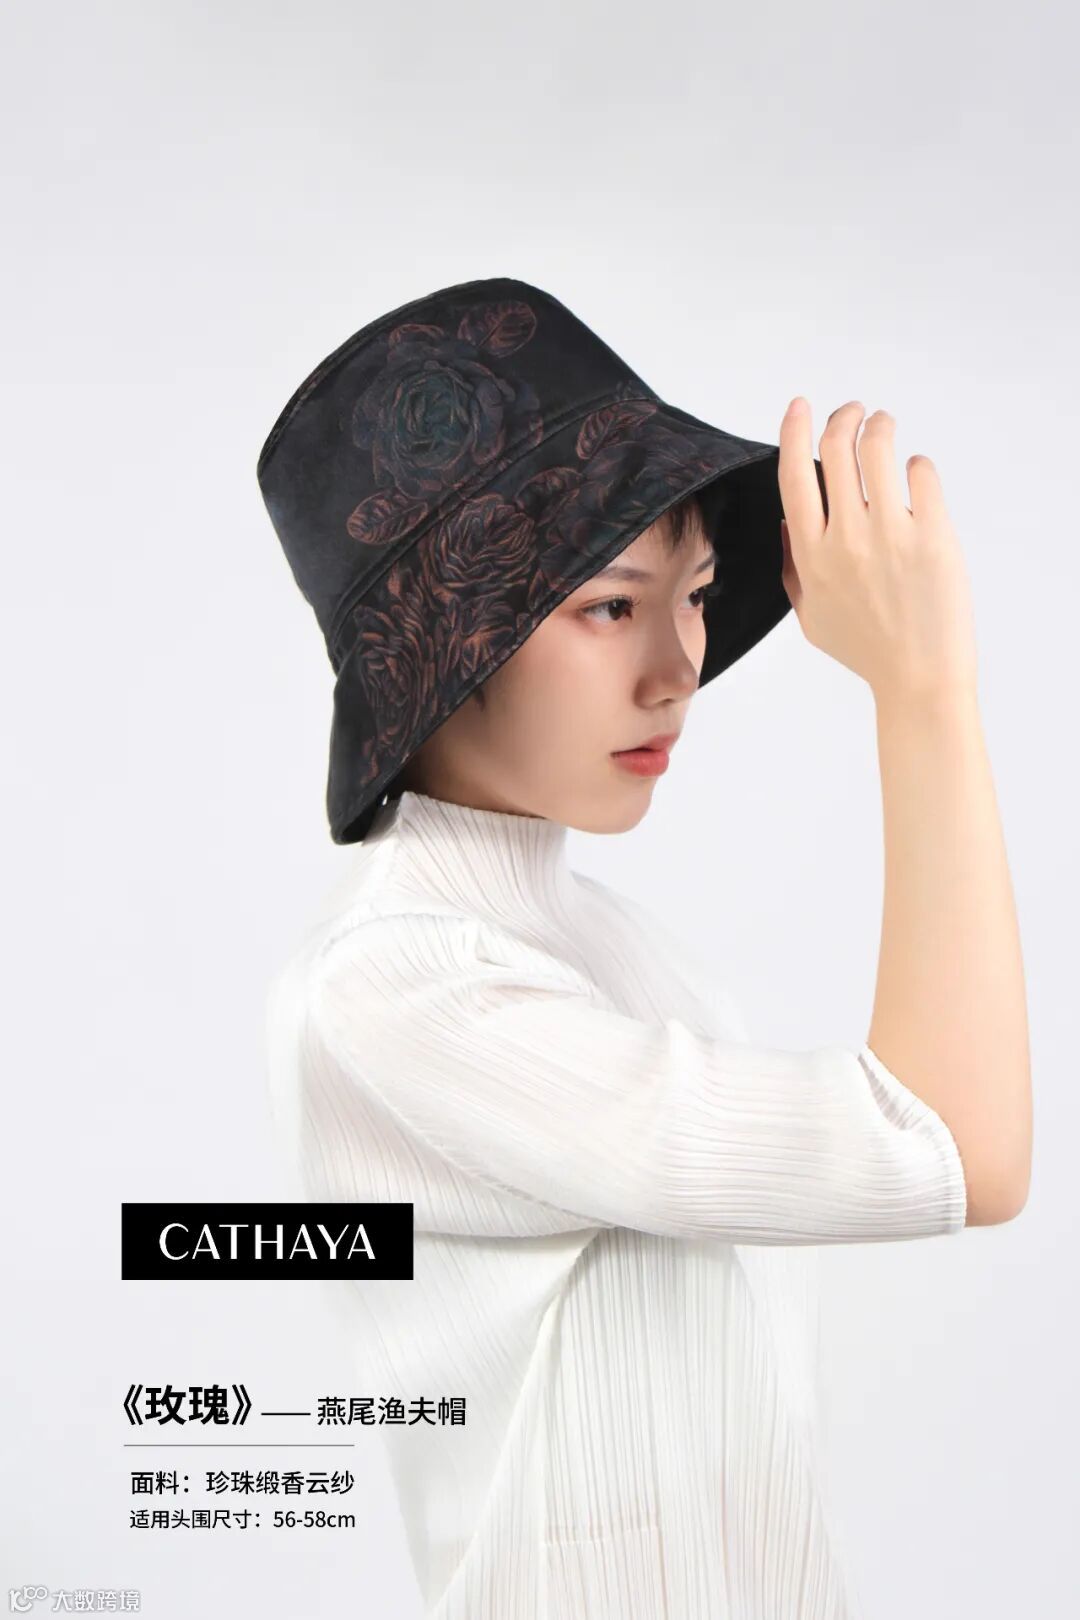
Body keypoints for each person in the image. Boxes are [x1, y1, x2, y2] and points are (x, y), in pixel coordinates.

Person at [264, 379, 1032, 1618]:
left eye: (696, 596)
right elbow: (950, 1147)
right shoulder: (395, 984)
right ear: (449, 639)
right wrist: (925, 692)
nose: (678, 668)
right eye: (612, 604)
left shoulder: (612, 947)